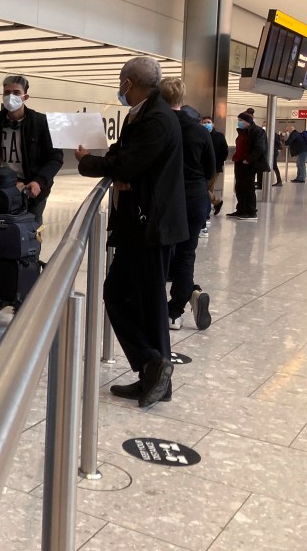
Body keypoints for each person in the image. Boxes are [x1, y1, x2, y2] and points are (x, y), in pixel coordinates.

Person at [75, 57, 187, 408]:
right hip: (143, 223)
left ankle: (152, 366)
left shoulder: (155, 118)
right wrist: (120, 167)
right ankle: (153, 373)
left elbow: (127, 163)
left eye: (121, 82)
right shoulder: (145, 113)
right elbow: (126, 157)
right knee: (133, 298)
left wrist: (88, 162)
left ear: (128, 82)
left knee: (131, 297)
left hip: (148, 226)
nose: (120, 88)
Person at [158, 79, 214, 331]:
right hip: (194, 198)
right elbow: (211, 169)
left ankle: (159, 306)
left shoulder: (158, 127)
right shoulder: (200, 131)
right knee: (186, 254)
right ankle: (176, 310)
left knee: (162, 252)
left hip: (166, 198)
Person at [0, 75, 63, 224]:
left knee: (31, 231)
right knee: (2, 230)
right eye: (7, 92)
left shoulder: (41, 123)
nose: (10, 96)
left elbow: (55, 157)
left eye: (16, 92)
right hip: (3, 187)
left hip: (33, 191)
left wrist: (38, 182)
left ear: (25, 96)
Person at [227, 112, 269, 219]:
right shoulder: (242, 132)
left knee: (248, 187)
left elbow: (259, 148)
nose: (239, 122)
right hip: (239, 162)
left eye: (241, 120)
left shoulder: (257, 131)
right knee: (239, 187)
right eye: (239, 120)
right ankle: (241, 209)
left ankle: (251, 211)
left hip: (248, 163)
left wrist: (249, 159)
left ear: (248, 121)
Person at [201, 114, 229, 216]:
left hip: (215, 167)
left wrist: (219, 162)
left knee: (205, 189)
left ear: (213, 124)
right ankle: (215, 203)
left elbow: (225, 151)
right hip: (202, 167)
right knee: (206, 189)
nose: (206, 124)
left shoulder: (219, 136)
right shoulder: (200, 134)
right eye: (204, 123)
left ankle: (211, 208)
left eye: (208, 122)